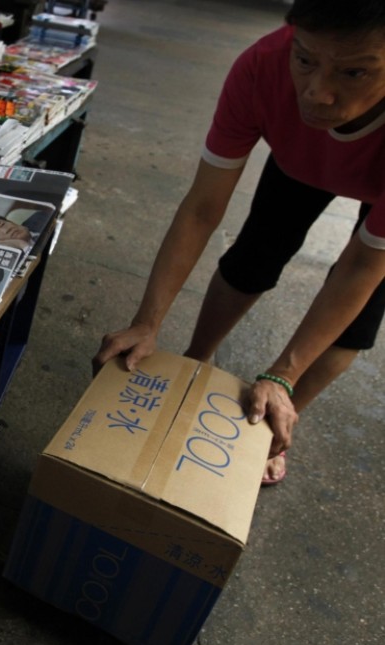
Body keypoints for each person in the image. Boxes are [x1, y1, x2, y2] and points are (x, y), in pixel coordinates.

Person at [94, 0, 385, 486]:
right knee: (256, 254)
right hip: (298, 159)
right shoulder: (262, 67)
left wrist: (282, 374)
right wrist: (147, 321)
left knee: (359, 315)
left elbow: (361, 267)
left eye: (354, 73)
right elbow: (203, 207)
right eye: (306, 59)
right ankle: (195, 361)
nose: (317, 93)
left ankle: (275, 420)